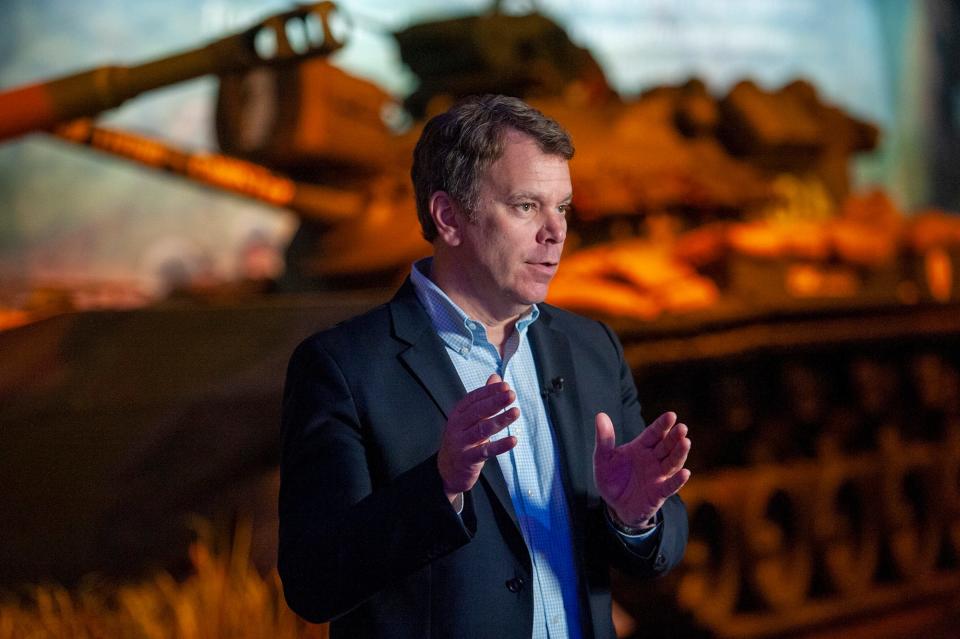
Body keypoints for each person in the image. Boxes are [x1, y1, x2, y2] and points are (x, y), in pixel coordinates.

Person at [279, 94, 691, 639]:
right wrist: (440, 486)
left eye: (561, 207)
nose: (556, 231)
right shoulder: (343, 369)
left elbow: (660, 542)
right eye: (526, 206)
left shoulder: (592, 347)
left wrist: (633, 518)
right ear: (449, 217)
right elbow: (314, 583)